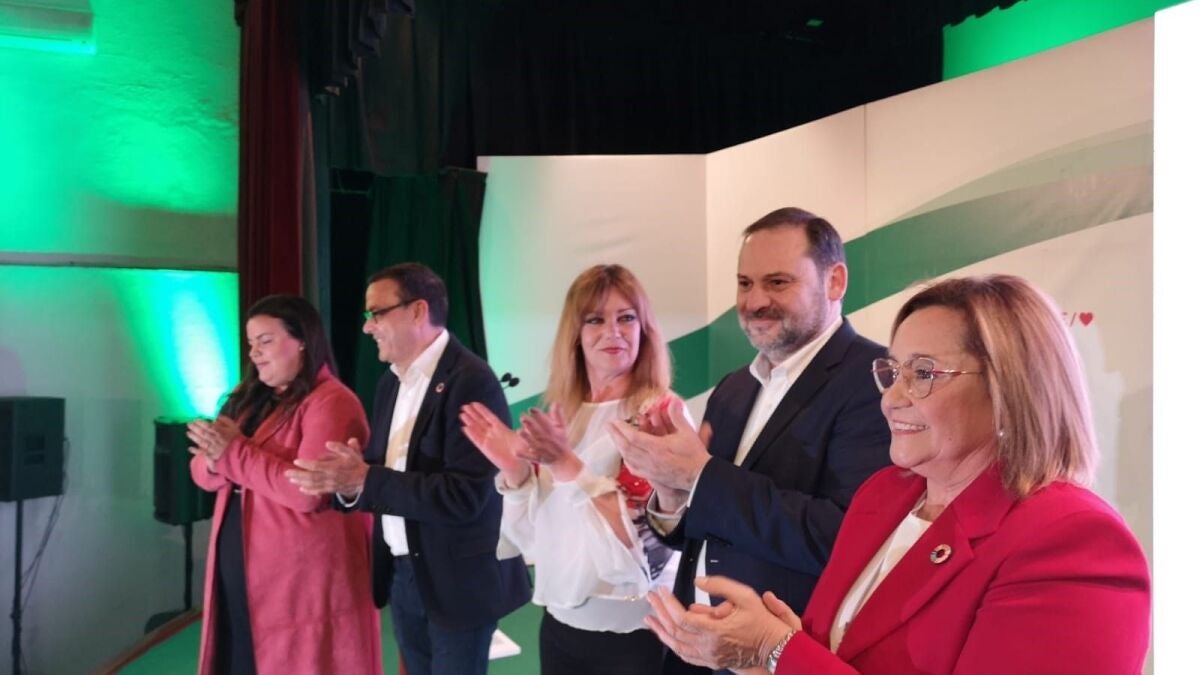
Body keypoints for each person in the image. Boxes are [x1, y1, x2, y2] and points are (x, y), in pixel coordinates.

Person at [644, 274, 1152, 674]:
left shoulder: (1071, 540)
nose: (891, 398)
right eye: (893, 371)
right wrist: (757, 653)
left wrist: (777, 649)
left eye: (924, 373)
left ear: (1010, 388)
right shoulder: (885, 495)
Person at [610, 207, 892, 673]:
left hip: (784, 656)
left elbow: (845, 538)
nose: (755, 301)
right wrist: (670, 491)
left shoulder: (877, 383)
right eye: (745, 283)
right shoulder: (734, 388)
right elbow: (700, 524)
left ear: (835, 282)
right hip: (695, 646)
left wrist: (698, 475)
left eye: (777, 282)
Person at [284, 262, 531, 675]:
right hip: (404, 574)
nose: (367, 327)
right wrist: (349, 483)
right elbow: (386, 472)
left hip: (458, 582)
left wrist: (367, 478)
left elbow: (466, 495)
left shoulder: (471, 381)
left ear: (418, 311)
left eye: (377, 313)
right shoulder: (390, 383)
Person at [459, 264, 686, 675]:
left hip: (638, 636)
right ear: (575, 335)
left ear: (644, 329)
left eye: (626, 318)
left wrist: (566, 466)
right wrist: (515, 472)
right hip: (562, 629)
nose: (613, 332)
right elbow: (536, 541)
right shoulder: (565, 414)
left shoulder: (660, 413)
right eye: (595, 319)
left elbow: (644, 547)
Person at [187, 294, 380, 675]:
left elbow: (305, 492)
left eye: (266, 341)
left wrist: (231, 454)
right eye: (251, 343)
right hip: (241, 569)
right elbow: (201, 473)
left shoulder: (333, 402)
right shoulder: (248, 398)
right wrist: (213, 459)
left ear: (302, 341)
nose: (255, 353)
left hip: (301, 584)